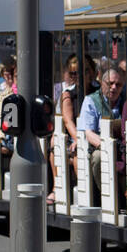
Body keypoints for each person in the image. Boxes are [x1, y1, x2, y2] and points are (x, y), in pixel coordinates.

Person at [78, 65, 125, 193]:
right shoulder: (91, 101)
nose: (114, 87)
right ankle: (107, 194)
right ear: (102, 83)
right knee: (99, 157)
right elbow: (89, 133)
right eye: (110, 83)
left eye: (118, 84)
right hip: (101, 147)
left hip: (124, 147)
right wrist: (109, 146)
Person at [48, 55, 81, 203]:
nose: (77, 76)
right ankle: (56, 187)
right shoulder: (67, 94)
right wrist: (77, 139)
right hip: (72, 138)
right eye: (73, 73)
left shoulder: (98, 92)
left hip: (92, 136)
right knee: (55, 142)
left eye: (81, 72)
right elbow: (67, 121)